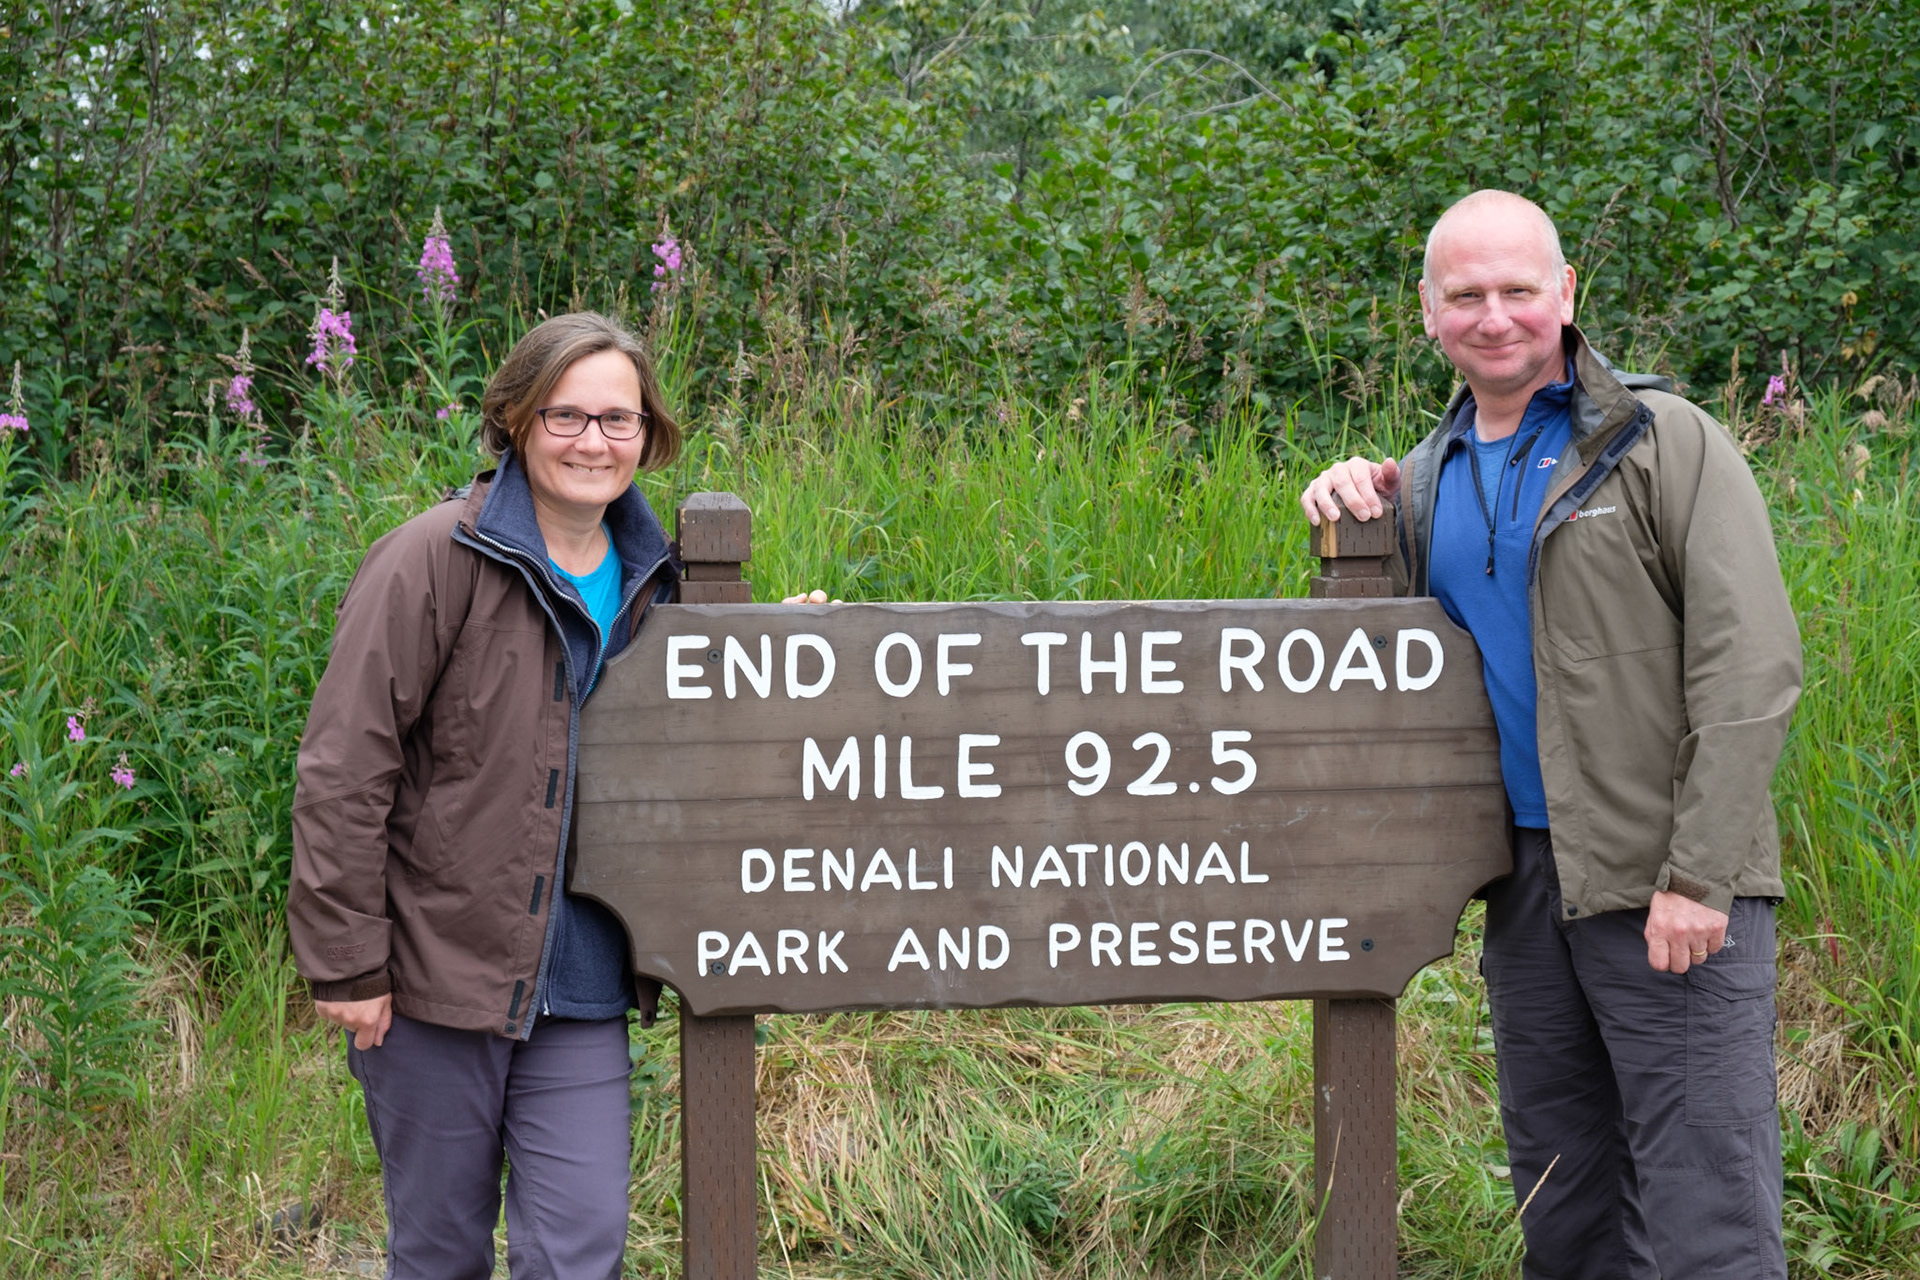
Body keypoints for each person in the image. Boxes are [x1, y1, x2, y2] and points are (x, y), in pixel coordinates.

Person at [1300, 190, 1801, 1278]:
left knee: (1706, 1218)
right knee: (1563, 1208)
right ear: (1427, 310)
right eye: (1467, 295)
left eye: (1519, 290)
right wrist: (1351, 510)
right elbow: (1382, 676)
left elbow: (1753, 665)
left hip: (1666, 887)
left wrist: (1700, 875)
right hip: (1524, 892)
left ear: (1566, 293)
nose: (1496, 317)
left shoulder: (1666, 443)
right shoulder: (1426, 477)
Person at [289, 312, 683, 1279]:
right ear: (513, 420)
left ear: (648, 435)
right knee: (438, 1251)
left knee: (579, 1247)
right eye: (567, 416)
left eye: (619, 420)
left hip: (586, 979)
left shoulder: (663, 584)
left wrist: (787, 649)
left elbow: (716, 732)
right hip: (435, 978)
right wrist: (347, 963)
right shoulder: (430, 560)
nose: (595, 441)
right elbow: (344, 768)